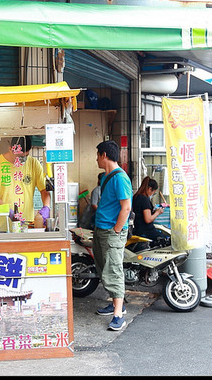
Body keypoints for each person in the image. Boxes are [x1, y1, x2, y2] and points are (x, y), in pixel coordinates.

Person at [92, 140, 133, 331]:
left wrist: (116, 230)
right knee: (104, 268)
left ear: (104, 155)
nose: (97, 159)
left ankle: (118, 314)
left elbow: (126, 207)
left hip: (111, 232)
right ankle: (117, 304)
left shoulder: (120, 178)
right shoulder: (106, 177)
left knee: (114, 269)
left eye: (98, 155)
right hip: (102, 229)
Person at [0, 136, 51, 232]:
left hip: (25, 226)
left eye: (25, 156)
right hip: (1, 226)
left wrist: (46, 207)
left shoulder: (34, 164)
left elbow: (44, 190)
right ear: (10, 149)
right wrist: (8, 212)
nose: (22, 159)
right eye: (19, 156)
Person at [132, 176, 169, 242]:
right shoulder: (144, 199)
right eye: (153, 192)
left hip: (138, 229)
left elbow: (141, 213)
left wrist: (153, 212)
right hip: (146, 231)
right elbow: (148, 219)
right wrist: (157, 212)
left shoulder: (136, 197)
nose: (152, 194)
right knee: (166, 240)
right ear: (150, 189)